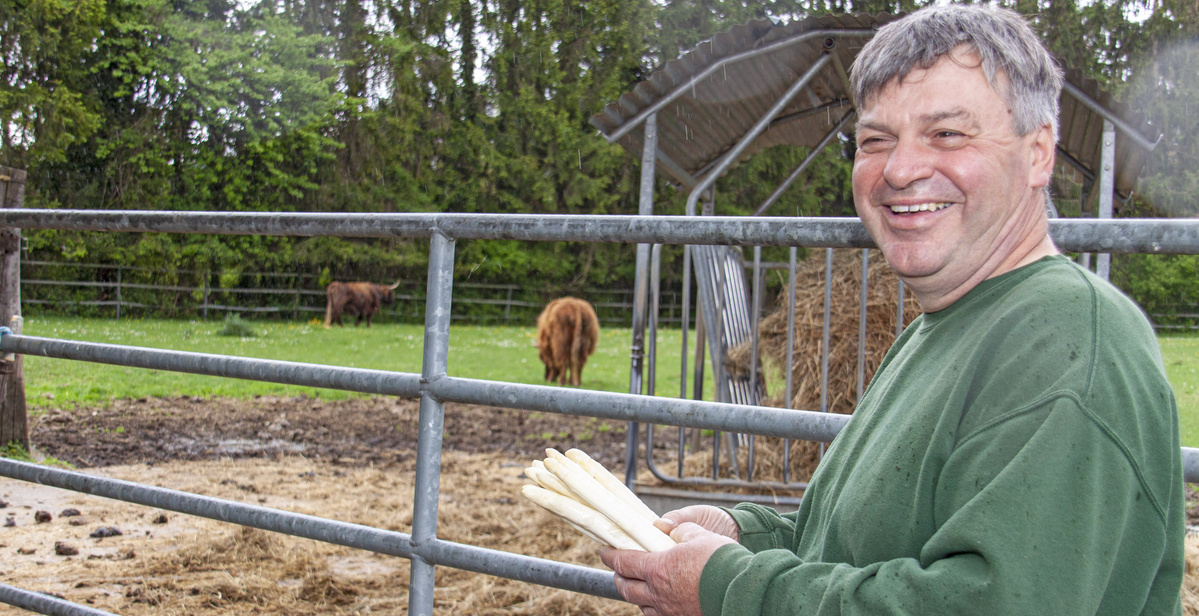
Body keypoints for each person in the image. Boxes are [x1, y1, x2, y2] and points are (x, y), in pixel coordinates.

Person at [601, 5, 1185, 615]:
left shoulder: (1065, 342)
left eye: (948, 134)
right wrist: (747, 537)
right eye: (876, 140)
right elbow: (867, 544)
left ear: (1038, 153)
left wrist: (733, 589)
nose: (901, 170)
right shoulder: (941, 326)